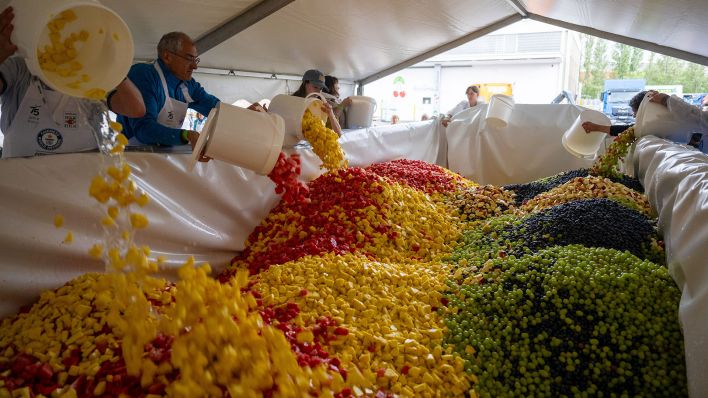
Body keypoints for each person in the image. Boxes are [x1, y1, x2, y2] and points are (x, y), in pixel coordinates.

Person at [0, 6, 145, 158]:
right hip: (20, 178)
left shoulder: (93, 77)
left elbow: (135, 109)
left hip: (80, 177)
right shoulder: (19, 69)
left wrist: (113, 67)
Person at [119, 32, 268, 151]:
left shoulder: (188, 85)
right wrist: (185, 135)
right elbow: (144, 130)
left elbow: (216, 110)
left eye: (196, 60)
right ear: (167, 56)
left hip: (162, 157)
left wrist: (246, 114)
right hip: (131, 157)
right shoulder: (144, 75)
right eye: (189, 59)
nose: (194, 67)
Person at [292, 69, 342, 135]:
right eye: (315, 87)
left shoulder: (321, 104)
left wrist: (331, 115)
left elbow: (338, 133)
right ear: (305, 83)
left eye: (320, 89)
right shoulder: (293, 101)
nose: (318, 92)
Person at [582, 91, 647, 136]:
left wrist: (596, 127)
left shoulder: (648, 127)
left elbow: (629, 129)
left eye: (636, 112)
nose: (634, 116)